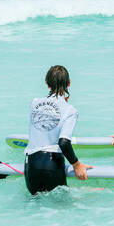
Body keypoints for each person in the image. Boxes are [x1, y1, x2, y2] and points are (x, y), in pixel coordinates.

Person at [24, 65, 92, 194]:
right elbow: (64, 142)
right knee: (62, 207)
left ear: (48, 84)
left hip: (31, 164)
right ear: (69, 83)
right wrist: (77, 165)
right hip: (52, 164)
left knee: (37, 205)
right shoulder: (70, 110)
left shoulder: (34, 103)